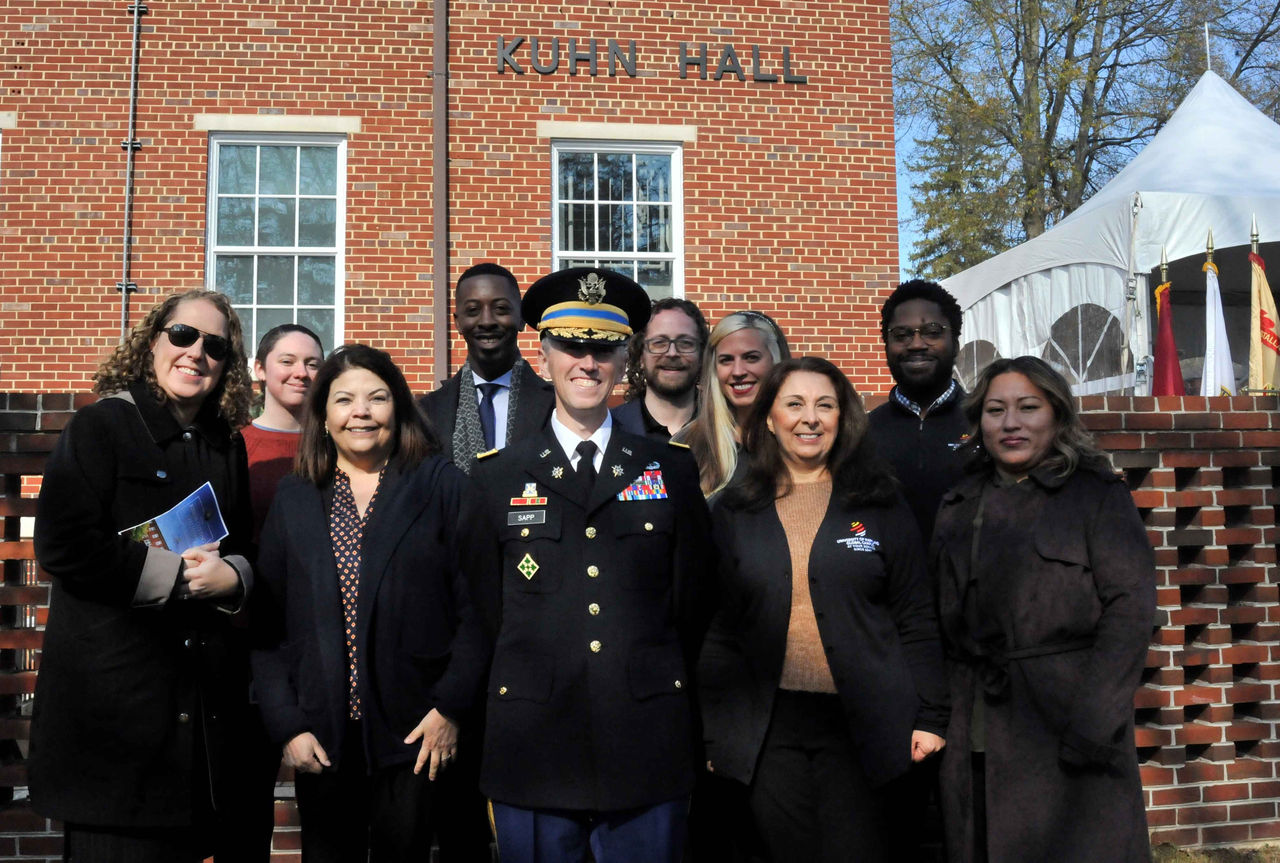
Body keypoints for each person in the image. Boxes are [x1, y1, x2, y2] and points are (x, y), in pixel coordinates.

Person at [465, 267, 713, 863]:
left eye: (604, 349)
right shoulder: (496, 474)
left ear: (625, 359)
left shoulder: (670, 469)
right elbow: (482, 610)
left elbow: (694, 602)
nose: (587, 363)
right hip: (534, 746)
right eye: (571, 346)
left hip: (646, 738)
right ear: (543, 354)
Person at [30, 289, 256, 861]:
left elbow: (244, 547)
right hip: (115, 731)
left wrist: (233, 579)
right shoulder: (99, 428)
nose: (196, 353)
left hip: (198, 734)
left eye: (216, 346)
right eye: (182, 336)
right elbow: (63, 547)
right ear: (152, 341)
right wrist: (173, 577)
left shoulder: (224, 446)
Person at [699, 357, 948, 863]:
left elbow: (916, 617)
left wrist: (932, 716)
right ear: (769, 417)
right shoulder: (734, 510)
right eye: (794, 404)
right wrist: (712, 726)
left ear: (843, 418)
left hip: (866, 725)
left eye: (825, 405)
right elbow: (720, 627)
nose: (809, 418)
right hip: (766, 728)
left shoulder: (881, 504)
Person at [250, 344, 491, 862]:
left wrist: (450, 707)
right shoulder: (295, 497)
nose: (360, 411)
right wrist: (287, 723)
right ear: (323, 415)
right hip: (322, 735)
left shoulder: (441, 486)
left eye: (376, 398)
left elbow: (479, 610)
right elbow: (267, 625)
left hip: (417, 732)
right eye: (343, 400)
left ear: (398, 408)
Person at [931, 356, 1155, 863]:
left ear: (1056, 415)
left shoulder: (1096, 496)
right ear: (978, 422)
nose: (1010, 423)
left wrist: (1095, 726)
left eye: (1027, 407)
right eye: (995, 410)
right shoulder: (958, 503)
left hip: (1068, 724)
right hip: (978, 728)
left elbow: (1130, 610)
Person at [419, 262, 555, 472]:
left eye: (500, 309)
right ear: (458, 323)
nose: (487, 321)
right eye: (473, 310)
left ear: (521, 318)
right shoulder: (428, 412)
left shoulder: (557, 406)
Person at [867, 279, 968, 545]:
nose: (916, 344)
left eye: (932, 332)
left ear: (955, 342)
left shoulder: (986, 424)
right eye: (901, 335)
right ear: (887, 346)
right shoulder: (863, 434)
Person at [677, 311, 790, 496]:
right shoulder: (689, 445)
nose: (738, 371)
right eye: (726, 360)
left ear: (775, 361)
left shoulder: (801, 437)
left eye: (751, 357)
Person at [245, 324, 326, 539]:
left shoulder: (337, 447)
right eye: (287, 362)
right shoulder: (236, 446)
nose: (301, 373)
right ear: (260, 369)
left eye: (312, 364)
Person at [612, 297, 709, 440]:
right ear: (641, 357)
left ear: (701, 356)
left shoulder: (727, 431)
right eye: (659, 343)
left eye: (685, 343)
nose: (672, 353)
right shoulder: (609, 430)